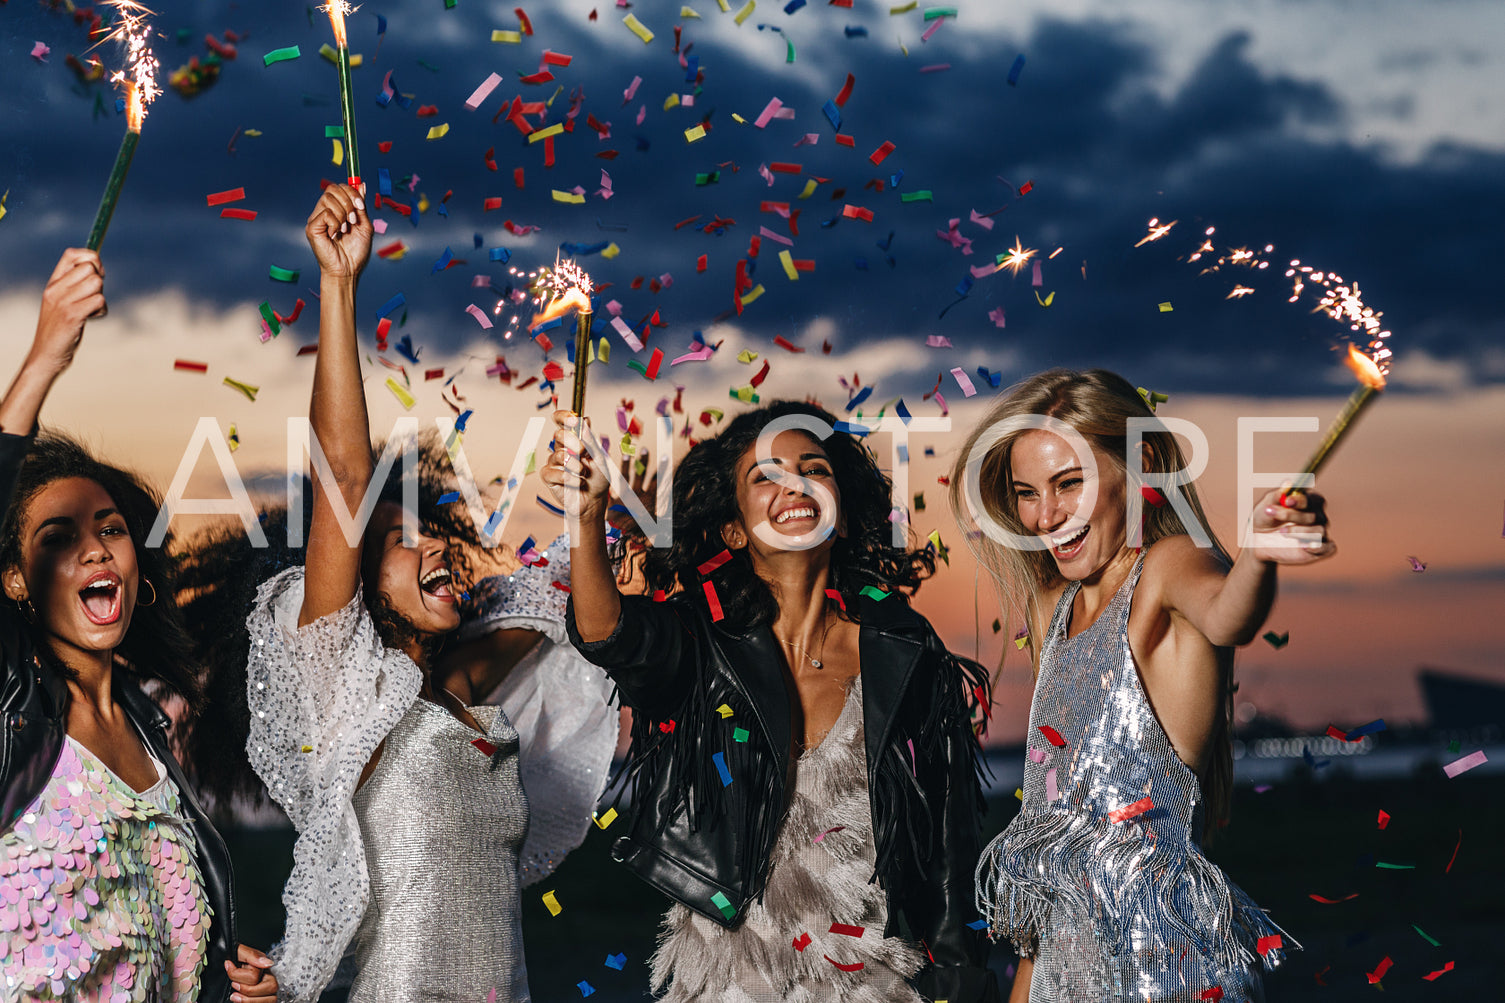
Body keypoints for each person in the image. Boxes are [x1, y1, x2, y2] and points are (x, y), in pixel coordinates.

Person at [223, 186, 613, 1003]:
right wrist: (338, 286)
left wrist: (596, 522)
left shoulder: (465, 689)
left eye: (433, 532)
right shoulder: (339, 683)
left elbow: (572, 615)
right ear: (354, 579)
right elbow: (345, 478)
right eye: (397, 540)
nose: (433, 542)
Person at [546, 399, 1000, 1003]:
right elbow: (612, 636)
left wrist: (959, 984)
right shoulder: (699, 641)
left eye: (815, 467)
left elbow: (950, 846)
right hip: (729, 979)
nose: (794, 483)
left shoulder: (907, 651)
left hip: (877, 980)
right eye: (765, 475)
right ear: (733, 528)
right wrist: (585, 519)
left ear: (841, 509)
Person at [950, 369, 1330, 1002]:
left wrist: (1260, 553)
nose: (1046, 515)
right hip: (1061, 972)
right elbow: (1054, 878)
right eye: (1027, 492)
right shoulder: (1054, 608)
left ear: (1142, 463)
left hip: (1159, 970)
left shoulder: (1167, 569)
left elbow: (1230, 613)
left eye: (1070, 483)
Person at [0, 249, 277, 1002]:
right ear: (15, 580)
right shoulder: (10, 705)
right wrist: (43, 360)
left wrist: (239, 981)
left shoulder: (151, 721)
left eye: (111, 526)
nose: (93, 545)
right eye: (57, 535)